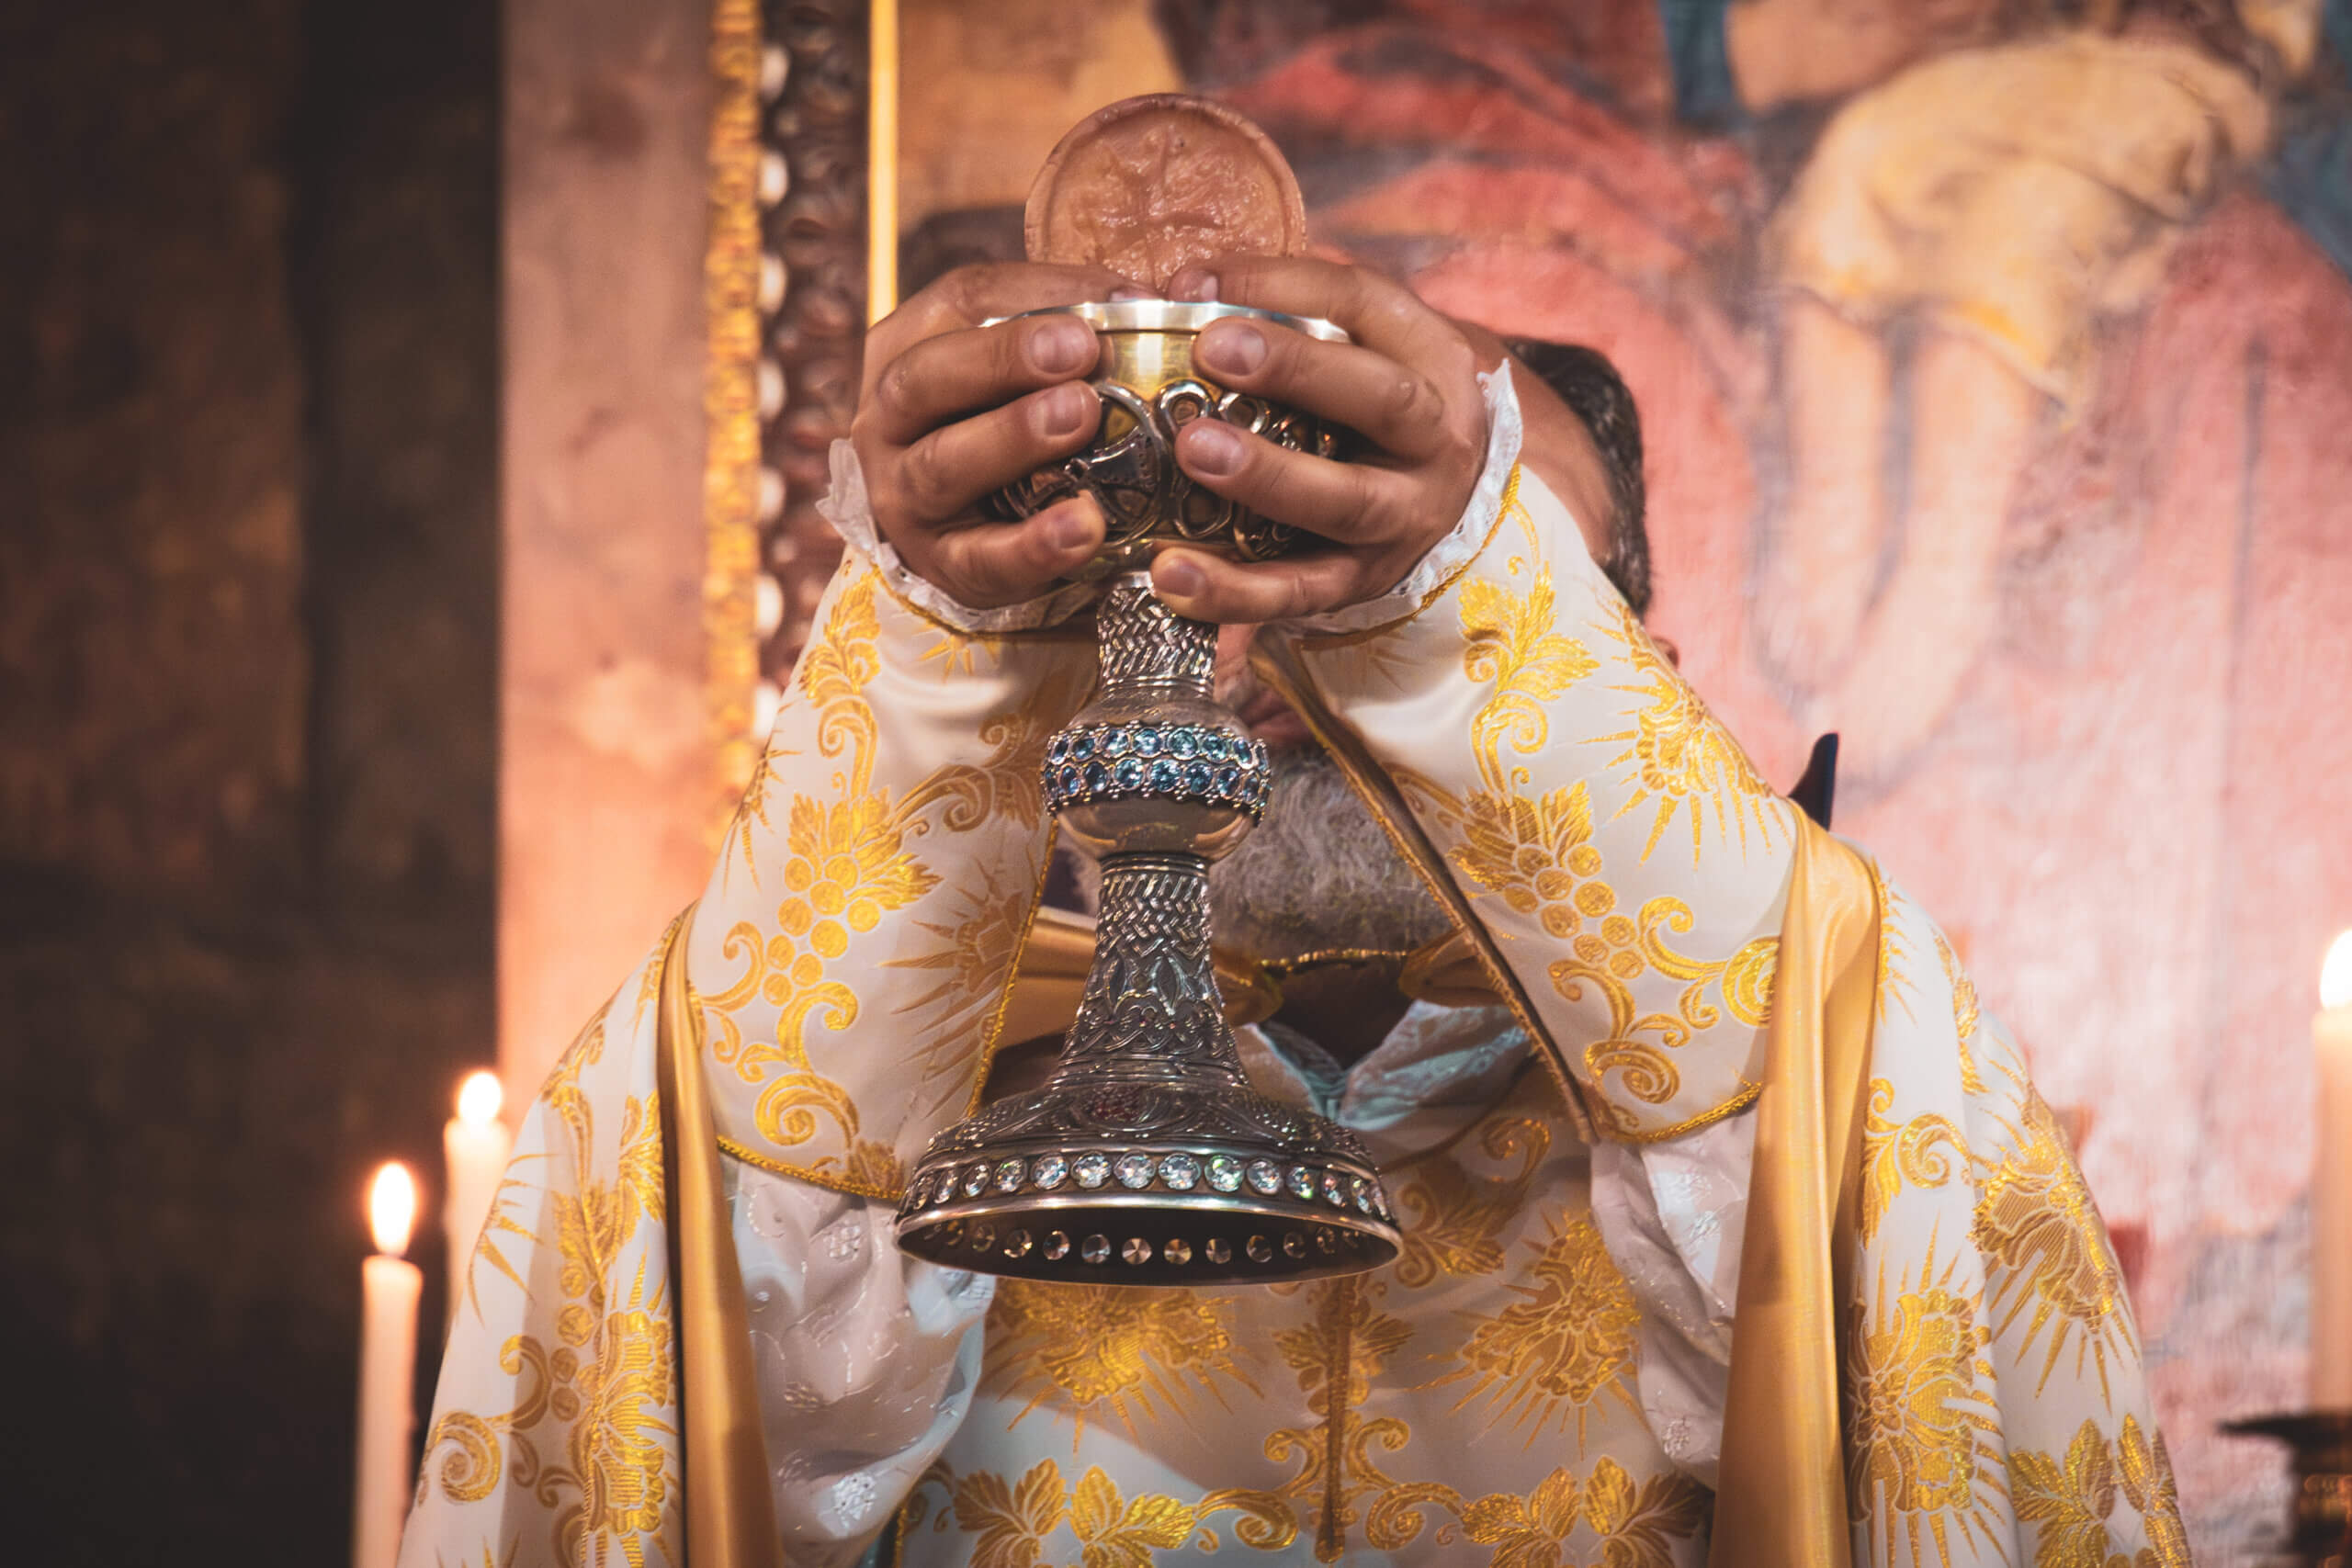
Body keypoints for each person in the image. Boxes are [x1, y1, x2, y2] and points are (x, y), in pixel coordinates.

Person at [399, 256, 2185, 1567]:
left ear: (1624, 672)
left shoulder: (1823, 1132)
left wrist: (1460, 624)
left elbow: (1913, 1320)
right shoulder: (862, 1137)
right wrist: (938, 645)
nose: (1307, 650)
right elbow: (685, 1363)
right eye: (1229, 533)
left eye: (1433, 566)